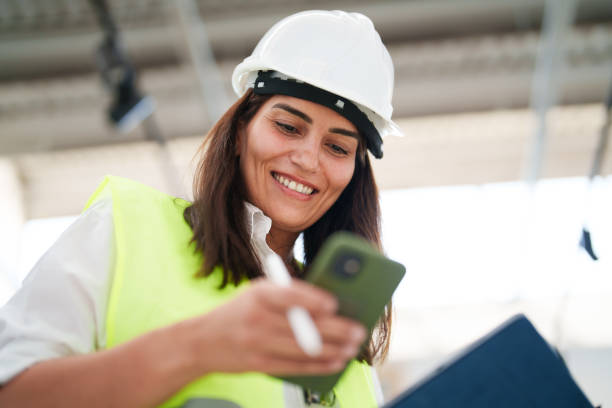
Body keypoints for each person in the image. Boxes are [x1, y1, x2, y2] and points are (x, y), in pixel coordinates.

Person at [0, 10, 403, 408]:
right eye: (288, 127)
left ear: (354, 173)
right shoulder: (126, 228)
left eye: (337, 147)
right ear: (242, 131)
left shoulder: (348, 354)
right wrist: (199, 346)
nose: (309, 159)